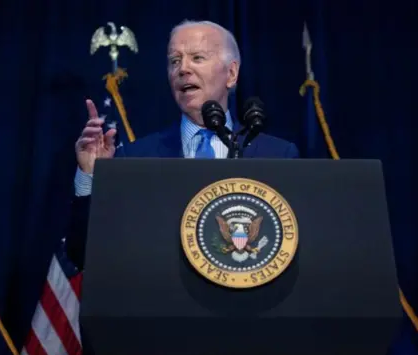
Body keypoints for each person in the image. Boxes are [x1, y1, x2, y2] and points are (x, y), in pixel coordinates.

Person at [66, 20, 300, 270]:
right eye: (174, 61)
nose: (183, 69)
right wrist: (90, 176)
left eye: (197, 58)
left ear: (231, 74)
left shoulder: (277, 155)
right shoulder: (136, 158)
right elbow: (82, 254)